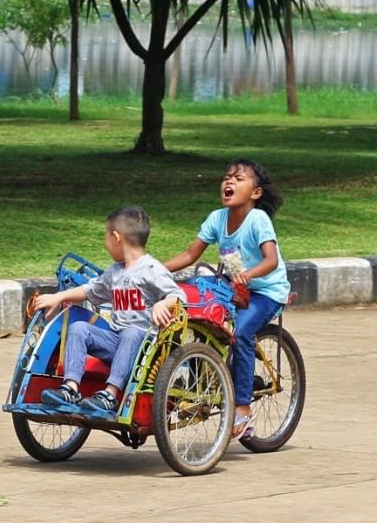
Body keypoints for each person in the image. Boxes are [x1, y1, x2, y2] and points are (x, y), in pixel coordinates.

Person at [164, 158, 290, 439]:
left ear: (256, 192)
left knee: (240, 332)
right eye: (226, 177)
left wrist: (248, 275)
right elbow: (190, 255)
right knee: (193, 311)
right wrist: (154, 269)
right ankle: (199, 385)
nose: (229, 181)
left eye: (238, 178)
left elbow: (271, 260)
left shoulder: (258, 219)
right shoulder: (217, 218)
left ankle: (242, 407)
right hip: (233, 287)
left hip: (266, 291)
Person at [34, 206, 184, 413]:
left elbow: (178, 296)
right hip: (115, 341)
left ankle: (110, 394)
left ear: (116, 238)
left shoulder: (152, 269)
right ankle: (71, 388)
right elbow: (90, 290)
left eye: (106, 237)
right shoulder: (115, 272)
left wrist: (162, 303)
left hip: (145, 348)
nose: (105, 243)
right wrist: (59, 296)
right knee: (78, 328)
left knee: (131, 333)